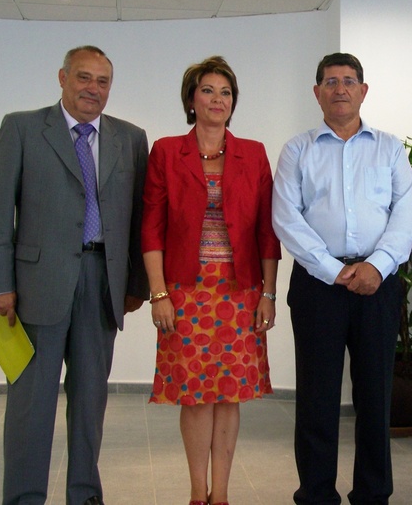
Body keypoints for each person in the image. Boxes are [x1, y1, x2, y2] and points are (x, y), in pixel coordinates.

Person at [0, 46, 149, 505]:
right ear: (62, 77)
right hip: (36, 287)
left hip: (102, 285)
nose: (93, 89)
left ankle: (84, 496)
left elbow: (138, 218)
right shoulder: (22, 128)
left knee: (91, 404)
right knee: (31, 406)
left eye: (102, 81)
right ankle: (23, 498)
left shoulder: (131, 138)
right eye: (84, 78)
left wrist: (136, 284)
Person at [272, 52, 412, 504]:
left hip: (379, 284)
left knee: (376, 397)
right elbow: (286, 218)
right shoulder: (298, 149)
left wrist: (377, 266)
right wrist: (335, 271)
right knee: (317, 398)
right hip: (318, 286)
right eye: (330, 81)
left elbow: (405, 216)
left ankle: (373, 494)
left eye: (349, 80)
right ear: (317, 92)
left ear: (363, 90)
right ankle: (316, 494)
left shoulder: (389, 148)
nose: (340, 89)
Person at [141, 55, 281, 505]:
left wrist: (268, 294)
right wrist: (158, 293)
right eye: (208, 91)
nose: (217, 99)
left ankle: (220, 495)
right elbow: (152, 227)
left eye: (226, 92)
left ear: (233, 102)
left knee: (229, 395)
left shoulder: (254, 153)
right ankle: (195, 492)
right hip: (186, 291)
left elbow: (266, 230)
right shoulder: (166, 150)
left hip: (240, 292)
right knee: (196, 396)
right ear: (191, 99)